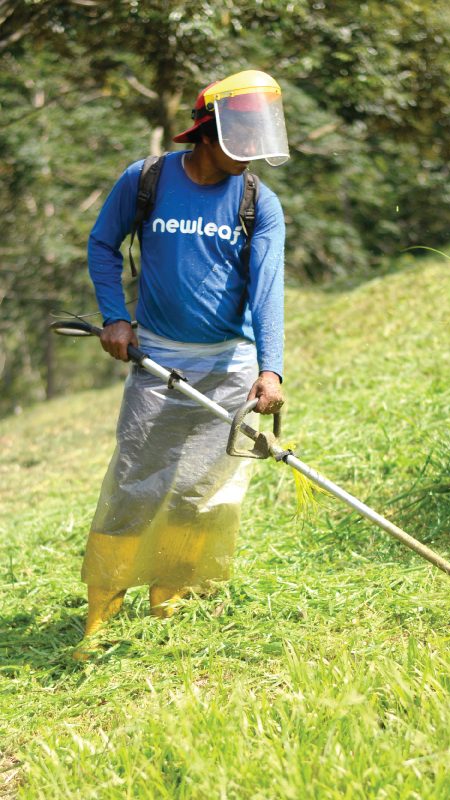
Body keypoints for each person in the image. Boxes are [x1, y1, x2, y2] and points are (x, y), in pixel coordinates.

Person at [77, 70, 288, 657]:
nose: (251, 155)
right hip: (157, 362)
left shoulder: (259, 203)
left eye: (258, 141)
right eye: (241, 141)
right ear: (206, 134)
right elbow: (102, 243)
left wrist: (270, 369)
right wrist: (115, 316)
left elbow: (267, 291)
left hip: (229, 367)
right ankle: (101, 613)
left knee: (198, 491)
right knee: (132, 487)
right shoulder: (145, 180)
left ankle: (167, 604)